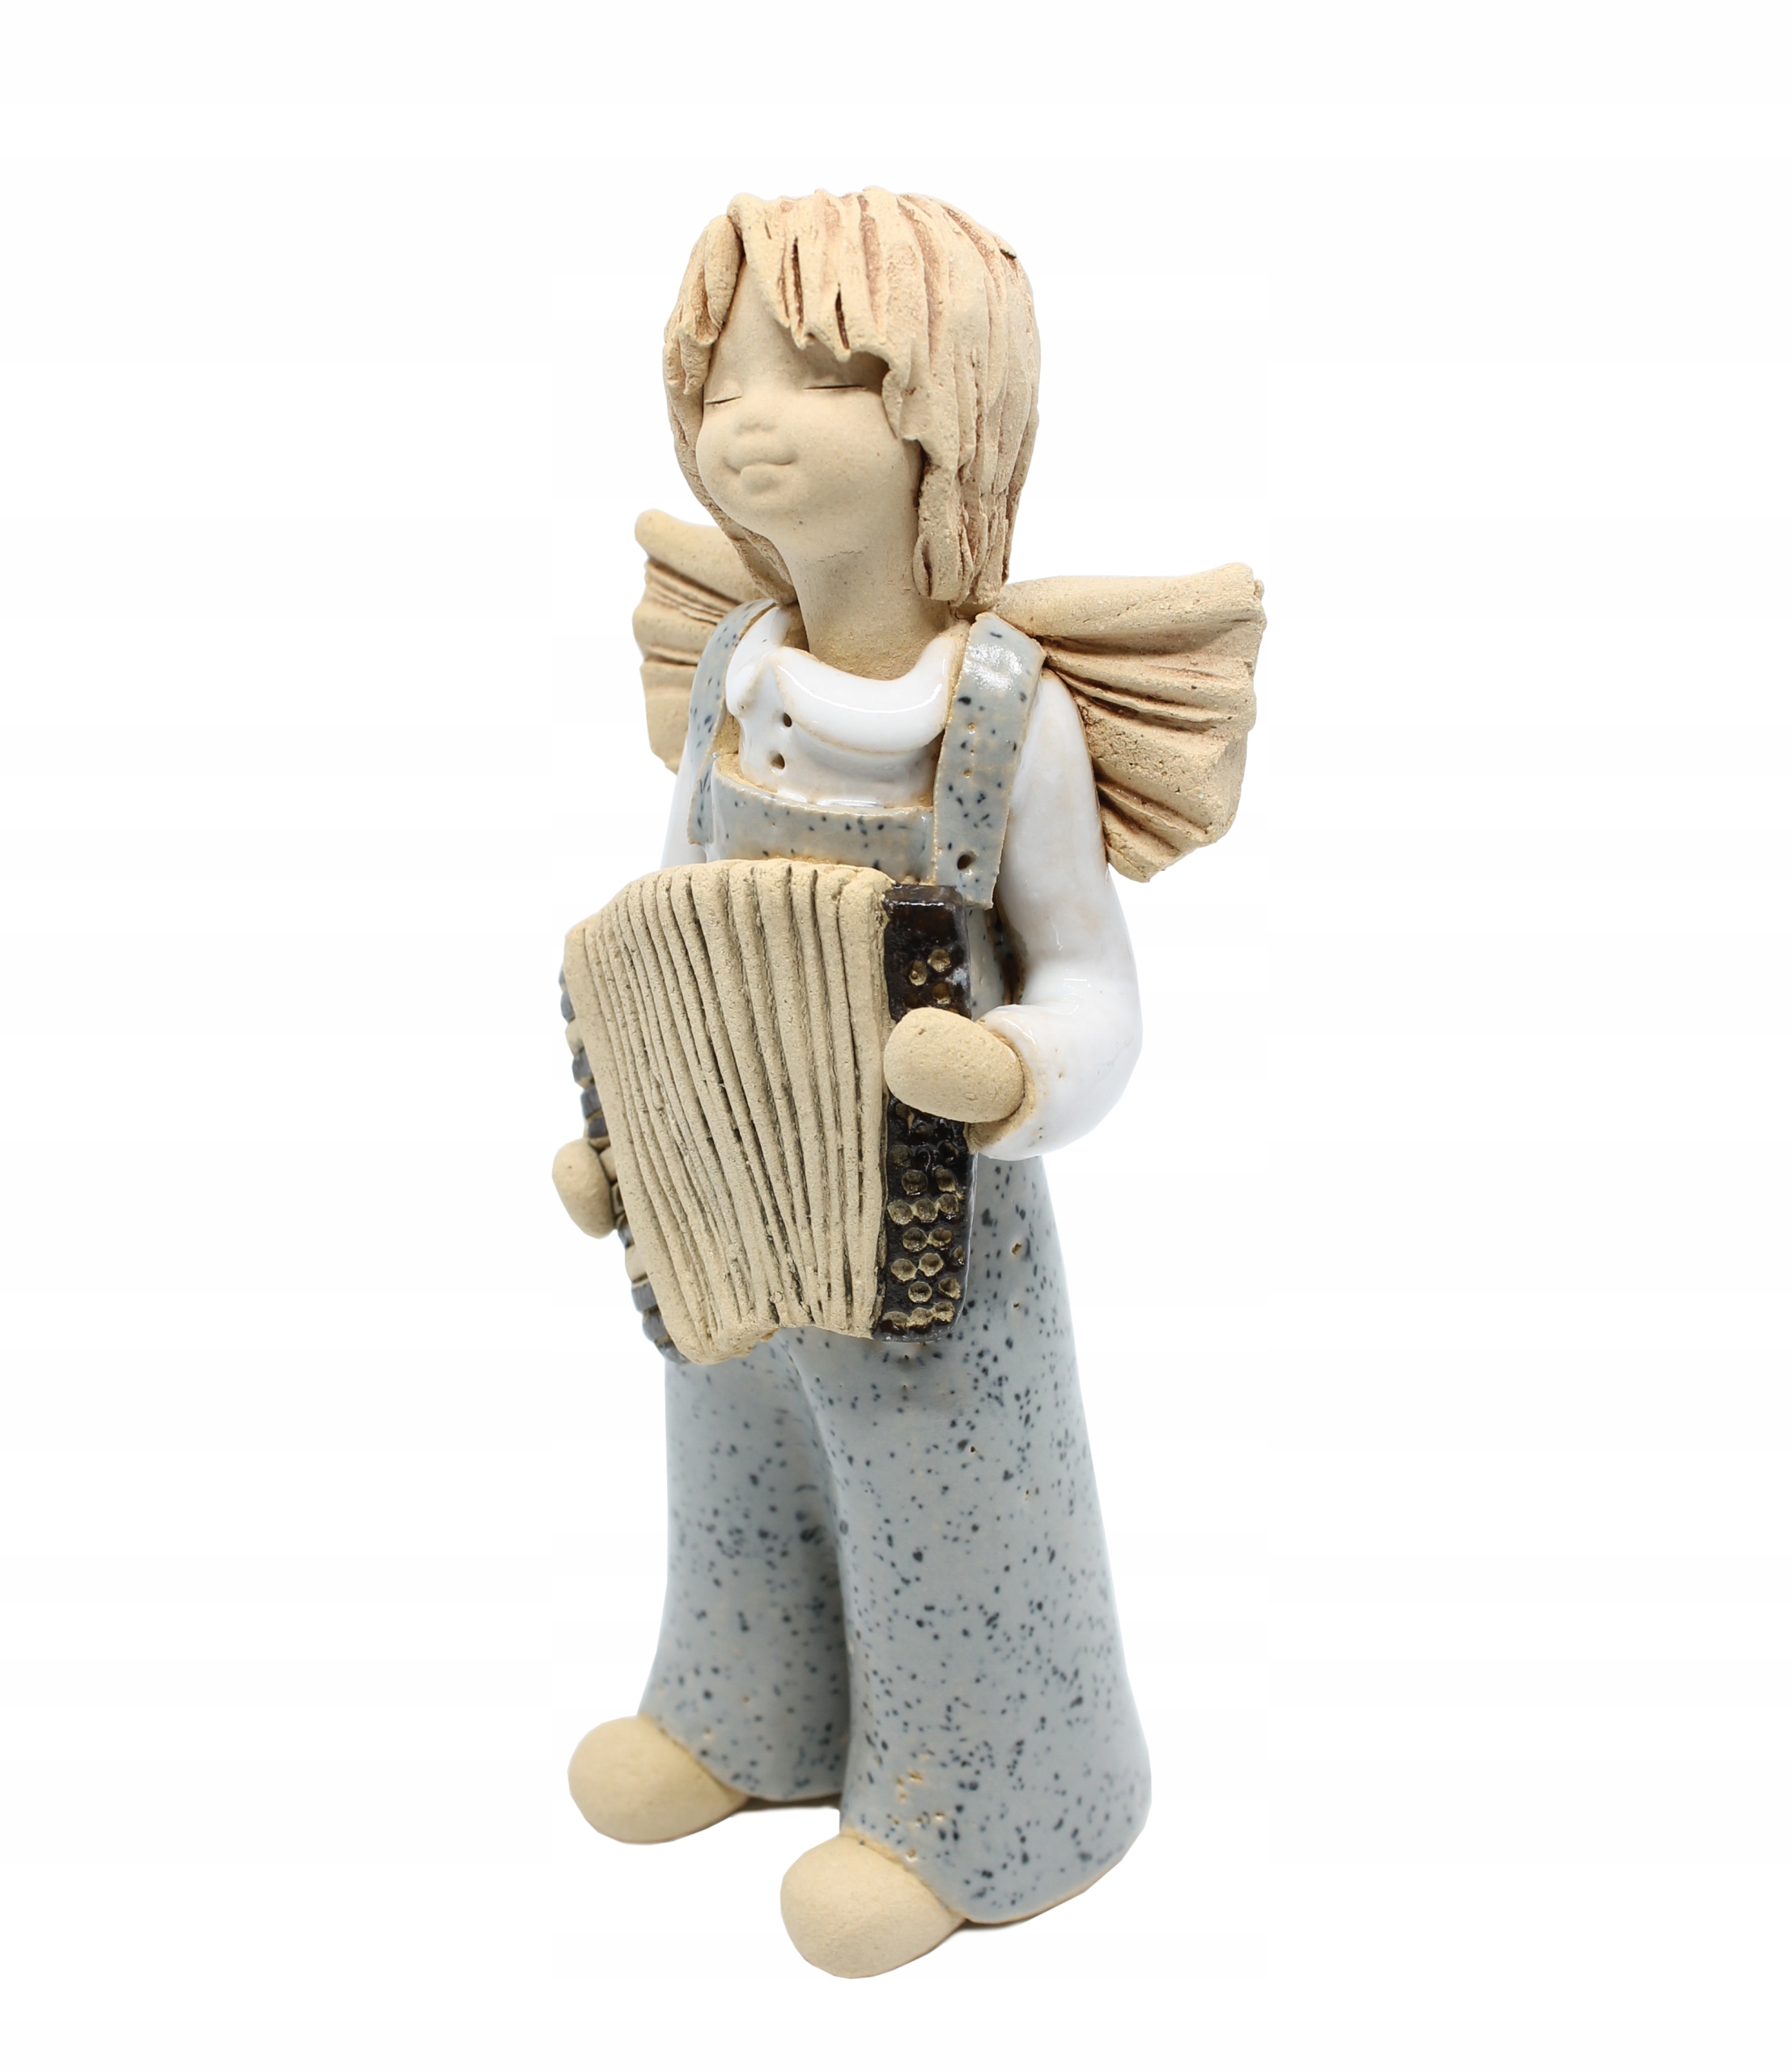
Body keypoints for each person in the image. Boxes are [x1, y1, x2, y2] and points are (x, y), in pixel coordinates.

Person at [561, 189, 1221, 1978]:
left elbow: (1092, 981)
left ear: (951, 411)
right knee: (737, 1441)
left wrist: (1014, 1069)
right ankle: (742, 1706)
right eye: (723, 378)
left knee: (953, 1490)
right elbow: (675, 919)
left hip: (937, 1222)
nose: (745, 420)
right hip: (736, 1189)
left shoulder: (1003, 715)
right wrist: (628, 1134)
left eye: (821, 376)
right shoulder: (730, 672)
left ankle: (987, 1800)